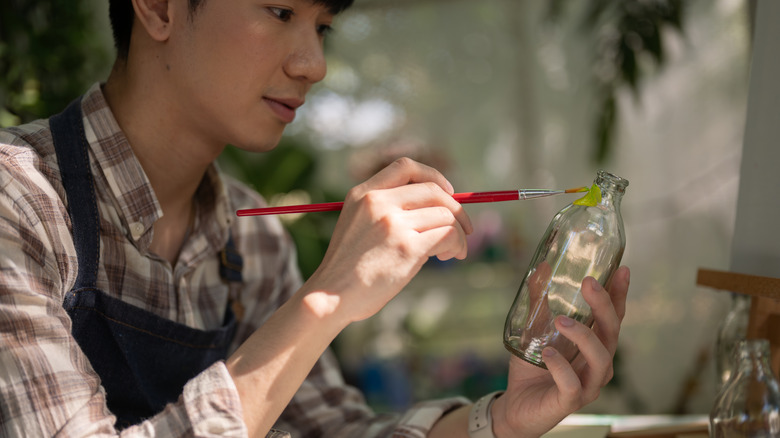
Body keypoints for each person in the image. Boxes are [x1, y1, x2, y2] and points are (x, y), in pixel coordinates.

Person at [0, 0, 631, 436]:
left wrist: (502, 421)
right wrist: (325, 301)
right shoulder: (20, 201)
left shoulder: (252, 237)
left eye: (322, 26)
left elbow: (332, 429)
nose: (314, 65)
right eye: (281, 12)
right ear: (161, 8)